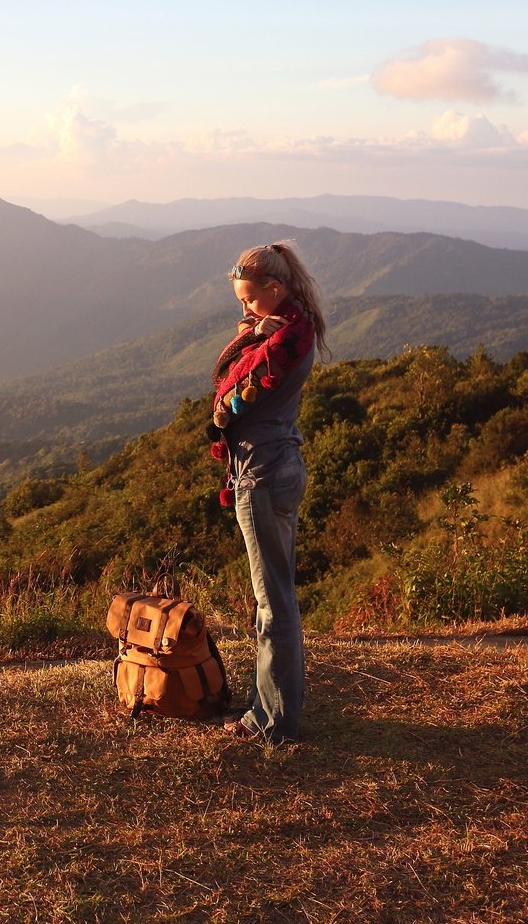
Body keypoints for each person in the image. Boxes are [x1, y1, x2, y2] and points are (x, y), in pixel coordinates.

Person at [208, 242, 327, 744]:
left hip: (262, 473)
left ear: (276, 290)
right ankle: (267, 705)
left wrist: (255, 338)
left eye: (251, 300)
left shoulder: (280, 348)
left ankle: (275, 721)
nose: (245, 310)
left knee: (273, 602)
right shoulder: (287, 330)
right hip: (276, 467)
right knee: (271, 598)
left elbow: (231, 403)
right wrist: (255, 330)